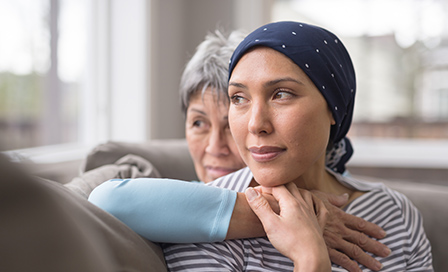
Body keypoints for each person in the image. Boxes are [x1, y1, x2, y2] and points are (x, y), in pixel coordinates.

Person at [92, 21, 433, 271]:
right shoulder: (198, 228)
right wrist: (309, 256)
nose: (255, 123)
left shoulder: (396, 214)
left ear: (333, 107)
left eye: (281, 94)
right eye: (238, 98)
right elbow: (106, 200)